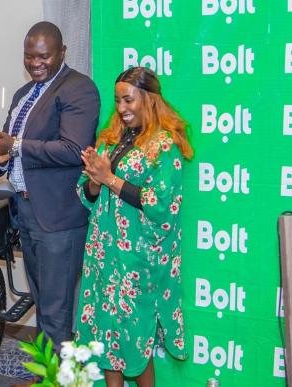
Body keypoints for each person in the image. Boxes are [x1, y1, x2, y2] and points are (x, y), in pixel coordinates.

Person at [0, 21, 100, 349]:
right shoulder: (23, 94)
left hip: (58, 219)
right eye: (29, 56)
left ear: (62, 53)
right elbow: (11, 149)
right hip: (27, 212)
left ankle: (57, 380)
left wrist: (16, 144)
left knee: (57, 313)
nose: (35, 63)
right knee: (43, 305)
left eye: (44, 57)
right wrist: (0, 154)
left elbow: (73, 149)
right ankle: (46, 376)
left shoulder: (78, 88)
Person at [74, 66, 192, 387]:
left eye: (128, 100)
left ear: (149, 100)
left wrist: (110, 179)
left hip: (137, 261)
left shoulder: (163, 145)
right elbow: (86, 194)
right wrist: (96, 181)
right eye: (118, 101)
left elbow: (160, 203)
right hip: (103, 255)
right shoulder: (110, 138)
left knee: (135, 339)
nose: (122, 109)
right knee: (107, 333)